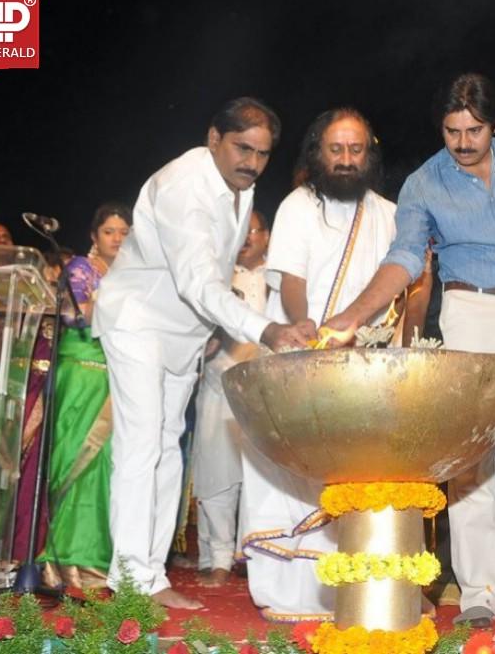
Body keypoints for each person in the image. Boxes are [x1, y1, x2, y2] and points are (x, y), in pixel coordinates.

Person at [325, 73, 495, 628]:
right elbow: (405, 257)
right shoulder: (423, 183)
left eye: (474, 131)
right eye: (451, 130)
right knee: (472, 457)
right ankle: (480, 592)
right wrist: (353, 315)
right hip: (471, 309)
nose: (462, 143)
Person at [92, 97, 309, 609]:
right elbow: (196, 280)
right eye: (242, 148)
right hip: (138, 321)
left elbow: (208, 280)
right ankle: (128, 580)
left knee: (169, 449)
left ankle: (149, 575)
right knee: (142, 447)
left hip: (184, 333)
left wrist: (213, 326)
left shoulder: (240, 187)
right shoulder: (182, 187)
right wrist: (266, 329)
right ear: (214, 138)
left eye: (262, 153)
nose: (251, 163)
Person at [238, 107, 410, 621]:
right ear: (318, 152)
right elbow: (290, 281)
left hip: (360, 364)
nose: (345, 159)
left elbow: (397, 291)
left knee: (350, 472)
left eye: (355, 149)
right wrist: (304, 327)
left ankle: (351, 587)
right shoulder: (296, 206)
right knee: (287, 475)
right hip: (298, 352)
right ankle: (287, 591)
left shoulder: (387, 213)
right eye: (336, 149)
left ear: (369, 153)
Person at [40, 202, 133, 589]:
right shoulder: (80, 268)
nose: (117, 238)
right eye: (109, 231)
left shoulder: (135, 275)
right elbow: (72, 316)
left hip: (116, 377)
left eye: (124, 232)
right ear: (94, 236)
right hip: (79, 371)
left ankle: (95, 560)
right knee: (70, 459)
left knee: (104, 469)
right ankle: (58, 562)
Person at [191, 209, 270, 588]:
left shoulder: (280, 279)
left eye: (252, 231)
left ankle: (254, 558)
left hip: (265, 394)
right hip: (218, 386)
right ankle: (218, 558)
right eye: (240, 232)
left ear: (267, 236)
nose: (245, 240)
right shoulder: (217, 276)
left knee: (262, 480)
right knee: (217, 476)